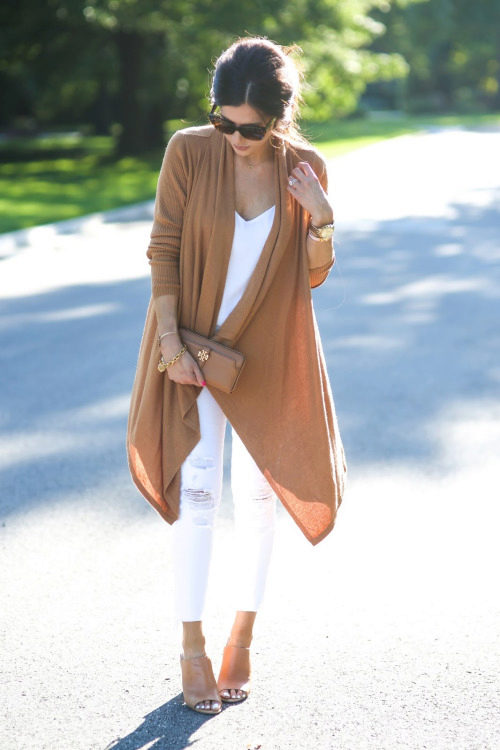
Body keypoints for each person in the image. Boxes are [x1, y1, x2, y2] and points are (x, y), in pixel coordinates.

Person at [127, 36, 347, 715]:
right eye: (222, 121)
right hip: (190, 351)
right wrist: (170, 343)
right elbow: (164, 249)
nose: (234, 138)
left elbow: (311, 277)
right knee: (198, 494)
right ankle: (191, 647)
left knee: (257, 500)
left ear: (278, 118)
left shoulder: (304, 169)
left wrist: (321, 219)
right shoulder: (189, 152)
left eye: (250, 129)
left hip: (268, 357)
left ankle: (242, 636)